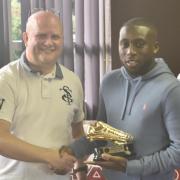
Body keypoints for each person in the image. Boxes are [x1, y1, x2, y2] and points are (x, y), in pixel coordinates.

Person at [63, 17, 180, 180]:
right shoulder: (109, 82)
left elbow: (178, 152)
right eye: (124, 44)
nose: (130, 51)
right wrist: (71, 151)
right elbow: (100, 134)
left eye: (139, 44)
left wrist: (129, 167)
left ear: (155, 47)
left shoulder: (171, 89)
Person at [0, 10, 85, 180]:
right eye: (41, 36)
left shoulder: (73, 81)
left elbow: (77, 134)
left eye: (55, 36)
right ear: (25, 38)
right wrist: (49, 155)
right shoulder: (6, 79)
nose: (48, 42)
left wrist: (79, 170)